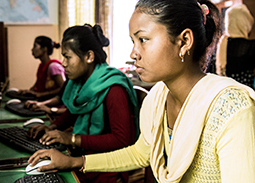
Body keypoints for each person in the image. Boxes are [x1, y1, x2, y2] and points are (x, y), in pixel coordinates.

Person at [28, 0, 255, 182]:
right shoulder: (157, 97)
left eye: (143, 40)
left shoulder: (232, 109)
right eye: (133, 41)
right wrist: (73, 162)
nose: (133, 53)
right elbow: (140, 153)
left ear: (184, 41)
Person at [28, 24, 140, 183]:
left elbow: (122, 140)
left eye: (67, 57)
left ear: (89, 56)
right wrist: (52, 127)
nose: (63, 63)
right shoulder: (80, 83)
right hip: (81, 158)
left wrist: (71, 139)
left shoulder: (113, 88)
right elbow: (74, 112)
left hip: (105, 169)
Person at [215, 4, 255, 88]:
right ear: (244, 22)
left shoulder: (221, 45)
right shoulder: (250, 46)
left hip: (227, 95)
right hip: (247, 95)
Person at [18, 36, 66, 100]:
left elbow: (63, 88)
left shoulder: (54, 67)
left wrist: (41, 95)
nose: (32, 49)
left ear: (44, 49)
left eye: (35, 46)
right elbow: (36, 86)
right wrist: (27, 92)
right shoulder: (42, 66)